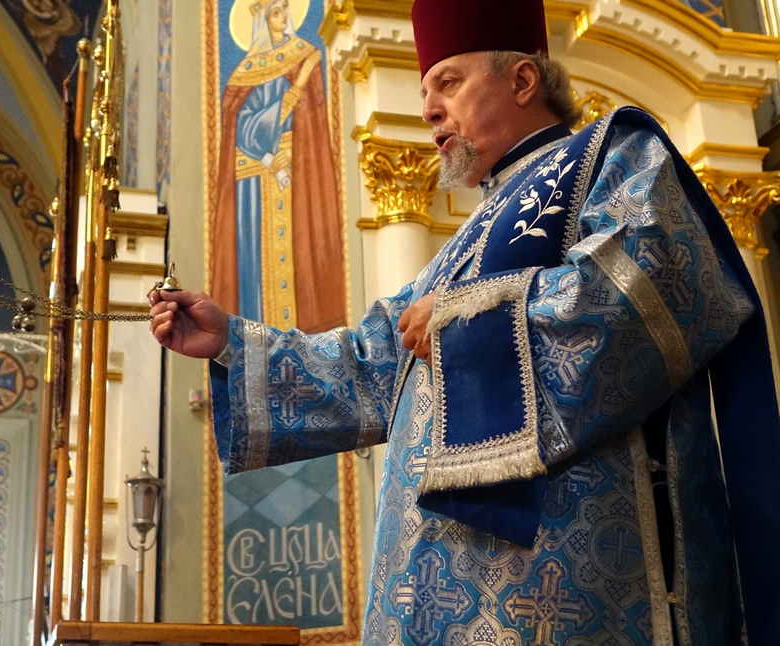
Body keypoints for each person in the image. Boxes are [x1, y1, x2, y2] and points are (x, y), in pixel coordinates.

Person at [150, 0, 780, 642]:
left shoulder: (612, 155)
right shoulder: (465, 242)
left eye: (448, 82)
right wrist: (232, 341)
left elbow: (647, 292)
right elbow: (371, 367)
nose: (428, 109)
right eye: (425, 90)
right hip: (437, 599)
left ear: (523, 80)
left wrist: (464, 325)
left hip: (563, 589)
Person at [211, 0, 345, 333]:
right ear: (260, 19)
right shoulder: (245, 70)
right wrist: (269, 157)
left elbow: (311, 120)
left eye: (285, 9)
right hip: (254, 182)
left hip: (296, 170)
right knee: (255, 268)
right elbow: (239, 127)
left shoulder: (305, 54)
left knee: (300, 255)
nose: (283, 17)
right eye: (276, 11)